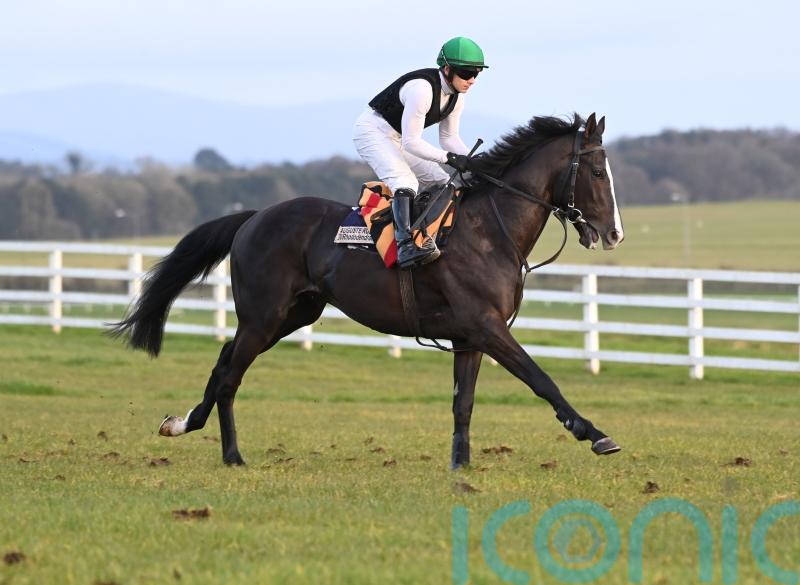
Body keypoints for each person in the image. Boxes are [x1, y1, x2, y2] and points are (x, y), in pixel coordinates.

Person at [353, 36, 487, 269]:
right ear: (447, 69)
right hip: (372, 131)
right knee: (406, 182)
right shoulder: (422, 90)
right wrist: (449, 158)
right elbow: (412, 143)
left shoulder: (457, 98)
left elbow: (449, 139)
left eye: (476, 74)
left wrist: (475, 161)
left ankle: (427, 236)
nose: (472, 80)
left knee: (444, 181)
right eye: (466, 74)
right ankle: (405, 244)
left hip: (397, 137)